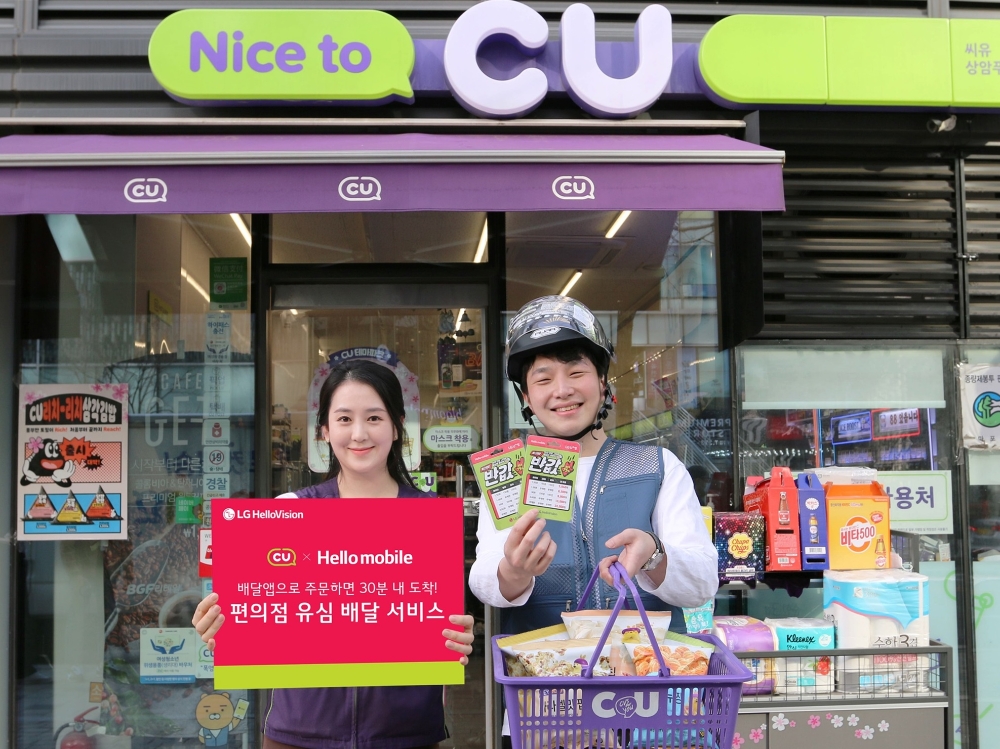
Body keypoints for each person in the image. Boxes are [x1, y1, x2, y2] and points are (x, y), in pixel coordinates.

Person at [192, 359, 475, 749]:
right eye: (344, 419)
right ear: (324, 430)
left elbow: (439, 623)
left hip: (405, 734)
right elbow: (256, 617)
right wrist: (225, 627)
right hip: (299, 734)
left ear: (397, 426)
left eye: (374, 417)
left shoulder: (430, 519)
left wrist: (456, 638)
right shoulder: (289, 512)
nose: (359, 433)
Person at [469, 295, 718, 639]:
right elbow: (484, 579)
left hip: (647, 665)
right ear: (525, 397)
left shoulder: (658, 467)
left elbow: (703, 583)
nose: (562, 390)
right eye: (543, 379)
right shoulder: (509, 473)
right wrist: (514, 571)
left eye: (576, 372)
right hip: (545, 666)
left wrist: (655, 554)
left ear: (603, 382)